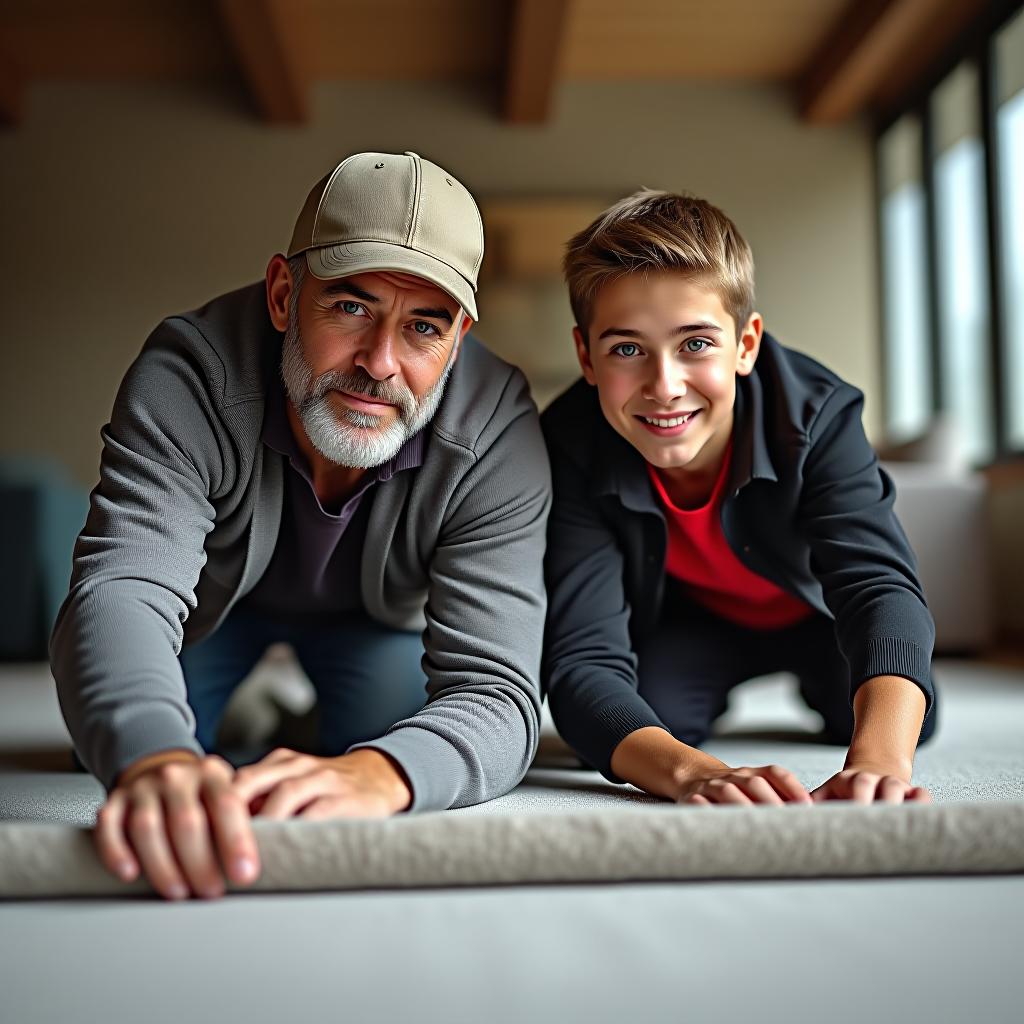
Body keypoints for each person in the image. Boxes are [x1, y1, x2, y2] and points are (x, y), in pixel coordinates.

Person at [50, 151, 551, 900]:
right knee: (121, 721)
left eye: (423, 327)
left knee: (383, 732)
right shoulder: (191, 374)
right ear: (285, 294)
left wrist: (378, 774)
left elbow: (499, 694)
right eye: (350, 307)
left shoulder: (498, 428)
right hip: (209, 614)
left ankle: (300, 713)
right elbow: (121, 590)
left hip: (375, 623)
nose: (380, 363)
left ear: (458, 337)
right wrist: (157, 760)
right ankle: (250, 697)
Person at [541, 189, 936, 808]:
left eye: (695, 343)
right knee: (649, 719)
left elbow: (878, 587)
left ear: (745, 344)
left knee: (897, 714)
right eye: (626, 349)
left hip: (820, 617)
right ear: (585, 356)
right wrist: (692, 773)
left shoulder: (817, 414)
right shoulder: (568, 442)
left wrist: (880, 760)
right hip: (693, 624)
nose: (664, 386)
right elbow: (582, 660)